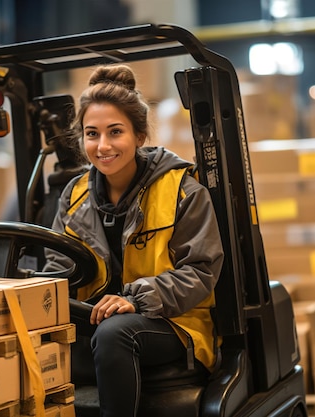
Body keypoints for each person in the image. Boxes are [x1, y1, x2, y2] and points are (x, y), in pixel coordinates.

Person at [43, 64, 225, 417]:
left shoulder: (183, 192)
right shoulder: (74, 194)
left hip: (172, 321)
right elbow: (59, 265)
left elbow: (201, 272)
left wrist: (135, 298)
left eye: (115, 132)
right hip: (94, 318)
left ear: (140, 136)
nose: (103, 145)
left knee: (114, 335)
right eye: (92, 134)